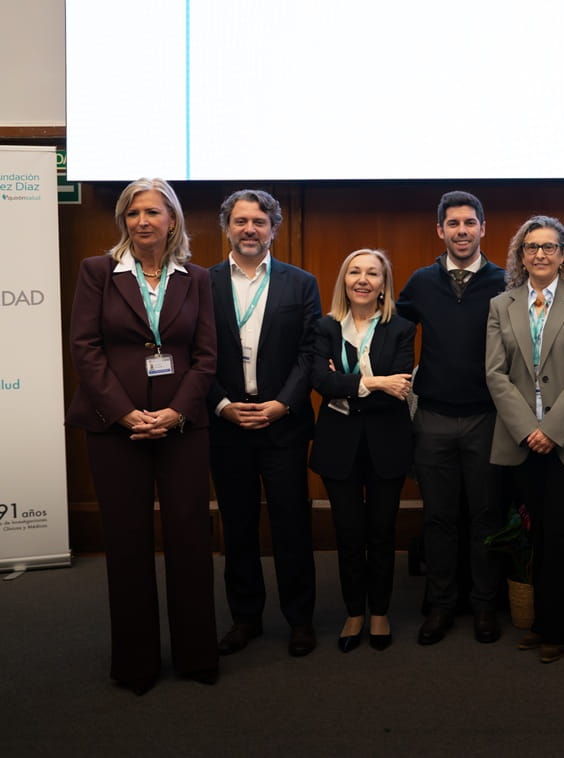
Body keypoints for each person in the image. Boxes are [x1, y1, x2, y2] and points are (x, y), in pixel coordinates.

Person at [66, 178, 218, 694]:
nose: (142, 221)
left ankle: (197, 656)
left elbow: (206, 356)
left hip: (183, 428)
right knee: (127, 543)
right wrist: (126, 413)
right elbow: (85, 349)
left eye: (152, 212)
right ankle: (136, 664)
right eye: (133, 213)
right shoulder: (98, 272)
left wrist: (175, 412)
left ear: (172, 220)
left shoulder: (196, 278)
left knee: (190, 539)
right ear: (123, 221)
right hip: (114, 429)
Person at [208, 189, 323, 659]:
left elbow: (310, 353)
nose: (249, 229)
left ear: (274, 229)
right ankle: (245, 618)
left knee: (291, 525)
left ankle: (300, 620)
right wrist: (221, 405)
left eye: (259, 221)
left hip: (283, 424)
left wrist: (283, 404)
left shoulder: (302, 283)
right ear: (227, 228)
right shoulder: (202, 282)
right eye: (240, 221)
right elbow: (196, 354)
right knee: (237, 527)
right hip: (227, 423)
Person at [485, 215, 564, 664]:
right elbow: (495, 374)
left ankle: (561, 628)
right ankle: (542, 623)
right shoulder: (502, 305)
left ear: (563, 254)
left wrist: (550, 431)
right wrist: (527, 430)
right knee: (535, 535)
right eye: (531, 247)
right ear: (520, 255)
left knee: (562, 537)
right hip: (520, 440)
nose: (540, 254)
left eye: (549, 247)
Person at [396, 191, 508, 646]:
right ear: (440, 230)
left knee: (486, 516)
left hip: (488, 417)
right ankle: (441, 604)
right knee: (439, 518)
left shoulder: (506, 281)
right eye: (453, 224)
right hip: (434, 417)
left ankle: (484, 605)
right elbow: (389, 328)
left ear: (483, 228)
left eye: (469, 223)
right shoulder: (421, 282)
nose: (462, 231)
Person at [309, 249, 416, 653]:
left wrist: (348, 384)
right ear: (344, 280)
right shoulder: (325, 327)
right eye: (355, 272)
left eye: (373, 273)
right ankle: (355, 611)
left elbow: (400, 386)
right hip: (339, 445)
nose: (363, 279)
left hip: (387, 442)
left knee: (382, 532)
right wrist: (376, 382)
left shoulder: (400, 328)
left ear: (383, 284)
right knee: (349, 533)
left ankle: (380, 612)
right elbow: (320, 381)